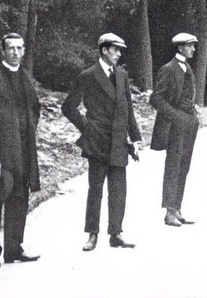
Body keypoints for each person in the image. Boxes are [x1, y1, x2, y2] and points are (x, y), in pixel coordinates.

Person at [62, 33, 142, 251]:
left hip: (118, 141)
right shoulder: (87, 75)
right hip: (97, 141)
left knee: (118, 190)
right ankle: (92, 234)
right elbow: (68, 107)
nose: (119, 54)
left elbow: (128, 109)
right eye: (115, 49)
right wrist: (87, 127)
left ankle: (116, 233)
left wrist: (135, 138)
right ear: (104, 50)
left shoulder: (122, 75)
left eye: (120, 50)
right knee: (95, 189)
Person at [0, 33, 41, 268]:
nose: (16, 52)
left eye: (20, 48)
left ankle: (14, 249)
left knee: (19, 198)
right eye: (11, 48)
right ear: (3, 51)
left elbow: (35, 107)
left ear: (24, 51)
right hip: (1, 153)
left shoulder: (25, 77)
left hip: (23, 151)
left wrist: (29, 127)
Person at [150, 33, 200, 227]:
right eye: (190, 46)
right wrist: (176, 115)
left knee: (184, 166)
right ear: (180, 48)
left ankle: (177, 208)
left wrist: (193, 117)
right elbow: (155, 99)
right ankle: (169, 212)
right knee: (173, 166)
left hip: (189, 124)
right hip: (174, 126)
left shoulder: (187, 68)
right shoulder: (168, 69)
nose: (193, 49)